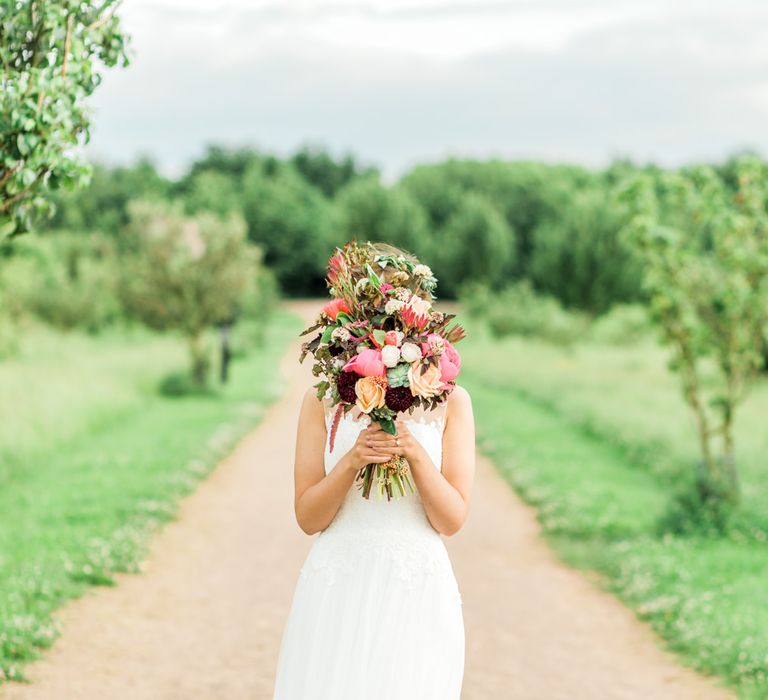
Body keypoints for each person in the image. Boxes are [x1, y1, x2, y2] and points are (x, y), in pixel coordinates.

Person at [272, 243, 476, 700]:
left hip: (416, 586)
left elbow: (451, 519)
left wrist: (415, 454)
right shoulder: (321, 400)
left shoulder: (451, 402)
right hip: (339, 582)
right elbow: (308, 518)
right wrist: (352, 461)